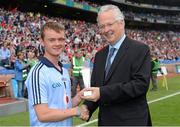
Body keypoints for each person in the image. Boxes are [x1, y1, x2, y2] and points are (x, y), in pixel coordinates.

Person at [80, 5, 152, 126]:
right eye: (102, 26)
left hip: (132, 123)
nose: (106, 29)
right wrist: (87, 107)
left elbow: (140, 85)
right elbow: (96, 87)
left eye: (109, 24)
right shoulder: (99, 55)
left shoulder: (140, 49)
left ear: (121, 23)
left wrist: (102, 92)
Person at [25, 22, 89, 126]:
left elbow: (64, 107)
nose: (57, 43)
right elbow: (43, 114)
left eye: (61, 39)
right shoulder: (38, 72)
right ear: (42, 41)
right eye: (52, 40)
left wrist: (78, 97)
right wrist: (76, 111)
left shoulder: (63, 71)